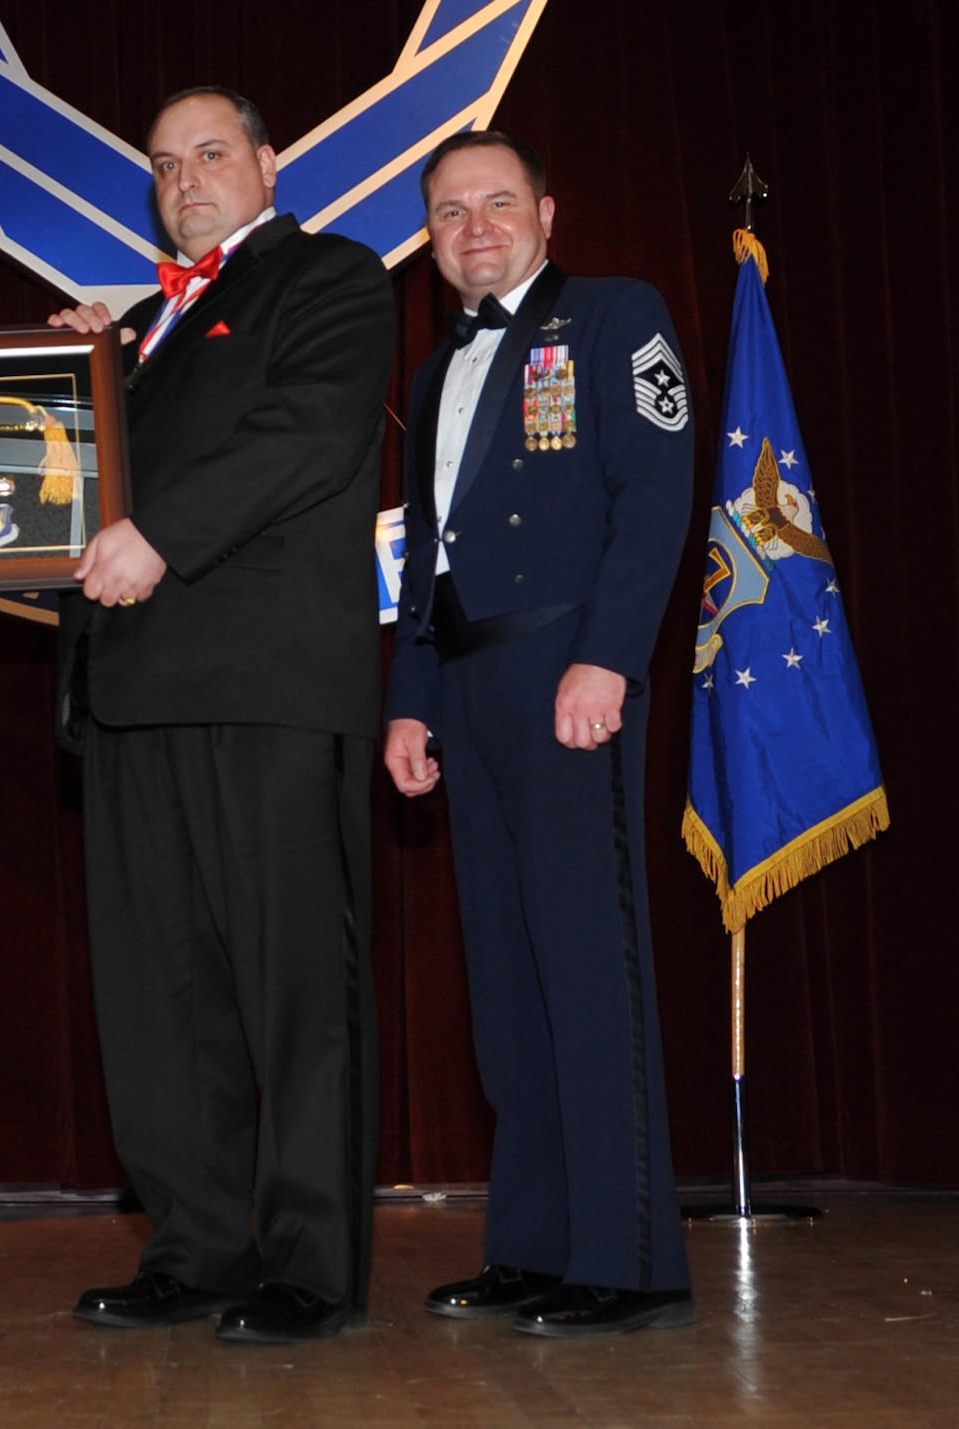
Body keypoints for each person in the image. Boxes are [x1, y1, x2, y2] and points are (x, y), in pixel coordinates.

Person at [48, 86, 393, 1346]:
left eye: (207, 154)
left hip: (266, 686)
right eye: (161, 165)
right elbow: (69, 491)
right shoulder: (139, 326)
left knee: (293, 987)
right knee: (159, 995)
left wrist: (160, 536)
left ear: (264, 160)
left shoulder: (334, 278)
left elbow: (307, 432)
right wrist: (68, 379)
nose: (184, 179)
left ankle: (309, 1262)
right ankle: (196, 1245)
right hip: (133, 689)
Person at [383, 131, 695, 1337]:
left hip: (570, 668)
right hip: (467, 680)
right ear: (430, 239)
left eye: (495, 203)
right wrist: (409, 695)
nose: (473, 227)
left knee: (583, 964)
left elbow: (655, 492)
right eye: (449, 212)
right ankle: (527, 1245)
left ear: (545, 214)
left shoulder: (616, 318)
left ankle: (621, 1259)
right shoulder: (428, 374)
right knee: (503, 980)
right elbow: (424, 553)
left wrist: (607, 656)